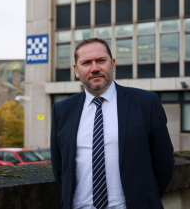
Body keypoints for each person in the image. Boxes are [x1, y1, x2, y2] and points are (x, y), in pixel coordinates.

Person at [51, 38, 174, 209]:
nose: (95, 68)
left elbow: (164, 163)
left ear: (113, 64)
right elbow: (59, 168)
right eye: (86, 63)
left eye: (101, 60)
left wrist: (145, 201)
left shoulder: (146, 103)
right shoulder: (62, 110)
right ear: (76, 70)